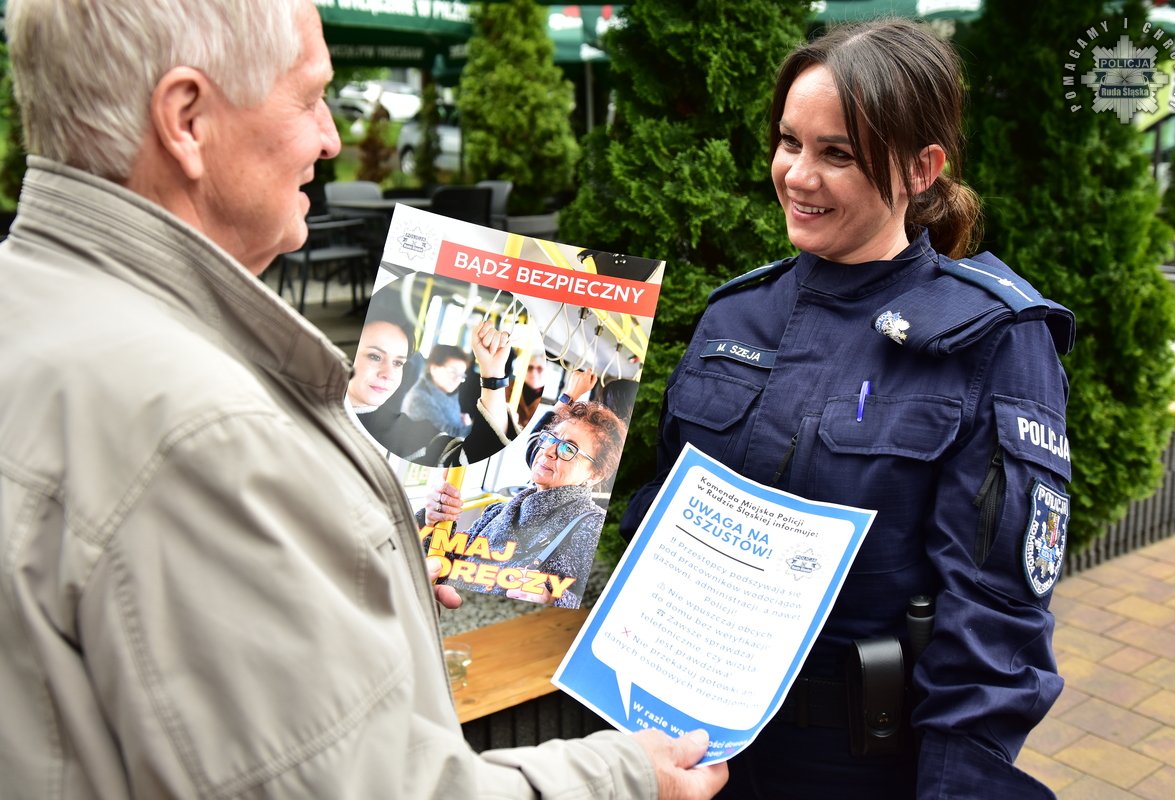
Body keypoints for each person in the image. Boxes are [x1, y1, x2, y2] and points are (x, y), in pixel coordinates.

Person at [0, 2, 727, 798]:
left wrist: (365, 570)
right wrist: (625, 776)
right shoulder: (199, 431)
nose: (331, 138)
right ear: (187, 120)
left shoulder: (38, 310)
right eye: (312, 96)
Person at [620, 18, 1074, 800]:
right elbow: (658, 521)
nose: (798, 176)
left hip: (862, 768)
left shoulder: (991, 341)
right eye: (789, 142)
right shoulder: (734, 315)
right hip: (683, 750)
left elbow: (994, 629)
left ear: (922, 168)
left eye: (837, 154)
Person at [426, 401, 624, 609]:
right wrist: (432, 524)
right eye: (551, 438)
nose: (549, 451)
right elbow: (447, 562)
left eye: (568, 448)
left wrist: (551, 600)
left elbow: (600, 603)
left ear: (595, 475)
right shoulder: (497, 511)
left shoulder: (592, 527)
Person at [350, 314, 515, 467]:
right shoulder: (419, 399)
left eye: (398, 363)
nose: (388, 374)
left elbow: (479, 452)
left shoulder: (409, 438)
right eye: (374, 357)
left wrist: (493, 373)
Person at [401, 344, 473, 438]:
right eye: (452, 372)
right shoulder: (420, 399)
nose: (457, 380)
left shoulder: (445, 392)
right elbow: (445, 438)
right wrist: (468, 426)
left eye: (461, 376)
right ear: (434, 368)